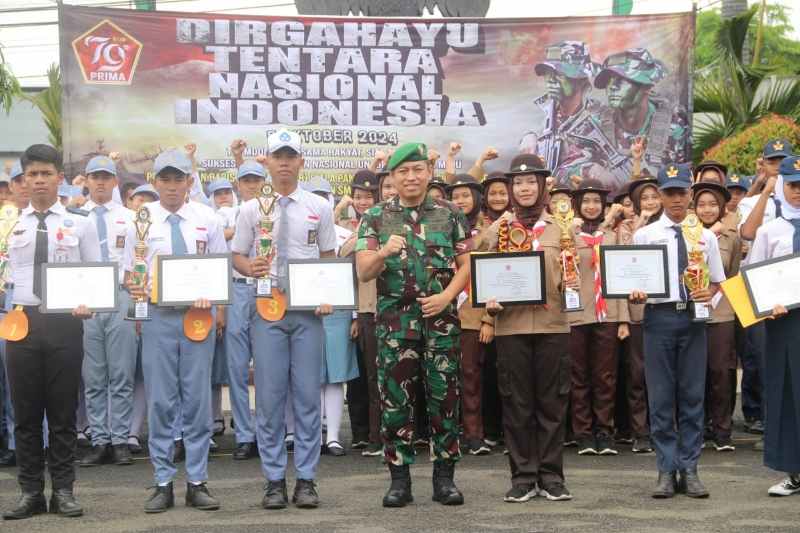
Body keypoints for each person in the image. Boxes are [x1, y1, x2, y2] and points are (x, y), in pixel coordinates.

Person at [356, 142, 471, 508]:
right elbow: (364, 271)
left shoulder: (450, 214)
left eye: (417, 169)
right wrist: (383, 252)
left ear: (428, 173)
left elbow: (467, 264)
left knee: (444, 400)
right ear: (391, 177)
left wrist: (447, 296)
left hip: (441, 323)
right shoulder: (375, 217)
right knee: (396, 403)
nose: (411, 177)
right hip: (394, 326)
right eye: (403, 171)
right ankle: (399, 480)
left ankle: (444, 479)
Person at [231, 128, 337, 510]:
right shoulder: (250, 208)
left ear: (300, 162)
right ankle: (274, 479)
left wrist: (326, 294)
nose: (285, 163)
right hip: (266, 310)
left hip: (307, 313)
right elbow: (237, 256)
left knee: (308, 396)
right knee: (271, 397)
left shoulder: (319, 207)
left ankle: (306, 479)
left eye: (291, 156)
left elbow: (328, 257)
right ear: (268, 161)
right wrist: (250, 265)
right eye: (279, 156)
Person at [123, 150, 227, 514]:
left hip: (198, 316)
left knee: (197, 400)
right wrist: (134, 287)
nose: (170, 186)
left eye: (177, 178)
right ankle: (163, 481)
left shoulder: (207, 218)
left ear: (188, 181)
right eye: (164, 179)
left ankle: (197, 481)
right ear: (155, 182)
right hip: (157, 318)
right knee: (161, 400)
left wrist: (217, 307)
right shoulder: (141, 219)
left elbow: (221, 268)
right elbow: (128, 273)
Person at [2, 144, 100, 520]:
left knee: (62, 413)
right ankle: (30, 492)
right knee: (25, 414)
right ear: (23, 181)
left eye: (46, 173)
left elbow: (95, 272)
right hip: (21, 321)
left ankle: (63, 491)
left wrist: (88, 301)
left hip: (64, 322)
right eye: (32, 175)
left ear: (59, 177)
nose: (39, 180)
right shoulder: (10, 225)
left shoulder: (80, 223)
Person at [630, 163, 725, 499]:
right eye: (669, 192)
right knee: (660, 397)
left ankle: (691, 468)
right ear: (659, 194)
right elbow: (633, 279)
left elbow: (718, 282)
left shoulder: (707, 236)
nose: (675, 199)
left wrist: (708, 296)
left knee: (692, 396)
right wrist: (635, 291)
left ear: (691, 193)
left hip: (694, 320)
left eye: (681, 192)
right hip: (658, 318)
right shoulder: (645, 235)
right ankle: (666, 470)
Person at [482, 154, 574, 502]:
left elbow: (574, 276)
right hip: (511, 327)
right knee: (517, 404)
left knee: (552, 404)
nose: (524, 188)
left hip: (553, 325)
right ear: (510, 188)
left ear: (542, 186)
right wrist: (488, 302)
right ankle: (522, 477)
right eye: (518, 182)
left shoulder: (562, 227)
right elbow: (483, 269)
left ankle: (551, 476)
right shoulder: (500, 228)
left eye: (530, 182)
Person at [78, 156, 138, 468]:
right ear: (85, 180)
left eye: (106, 176)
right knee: (94, 374)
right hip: (86, 300)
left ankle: (121, 439)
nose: (100, 182)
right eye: (94, 176)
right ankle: (99, 440)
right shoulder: (75, 217)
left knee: (122, 372)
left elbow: (139, 262)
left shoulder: (131, 217)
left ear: (115, 181)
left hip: (120, 295)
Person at [748, 155, 800, 496]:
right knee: (787, 394)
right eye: (793, 185)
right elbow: (753, 275)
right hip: (785, 323)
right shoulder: (771, 230)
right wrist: (767, 305)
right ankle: (794, 471)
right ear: (781, 185)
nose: (798, 192)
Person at [569, 179, 630, 456]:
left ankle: (604, 432)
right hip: (578, 314)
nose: (591, 206)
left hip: (609, 314)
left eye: (596, 201)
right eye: (586, 201)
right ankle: (583, 434)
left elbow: (625, 277)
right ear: (577, 205)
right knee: (578, 376)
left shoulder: (614, 235)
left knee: (605, 376)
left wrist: (624, 319)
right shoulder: (570, 234)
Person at [691, 181, 740, 452]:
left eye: (712, 205)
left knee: (721, 372)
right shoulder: (685, 234)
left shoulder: (731, 236)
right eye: (701, 204)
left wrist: (718, 296)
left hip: (721, 312)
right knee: (694, 374)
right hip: (691, 313)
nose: (707, 210)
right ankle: (697, 429)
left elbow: (731, 273)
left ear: (721, 207)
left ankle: (722, 430)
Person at [446, 174, 493, 456]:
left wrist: (489, 318)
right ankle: (450, 435)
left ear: (477, 199)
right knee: (446, 378)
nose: (460, 201)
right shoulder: (441, 227)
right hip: (445, 311)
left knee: (472, 375)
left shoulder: (489, 231)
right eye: (455, 196)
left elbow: (497, 277)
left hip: (475, 314)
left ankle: (475, 434)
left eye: (466, 195)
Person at [225, 160, 267, 461]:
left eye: (256, 180)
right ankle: (243, 434)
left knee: (268, 367)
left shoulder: (277, 208)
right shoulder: (225, 213)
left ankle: (265, 432)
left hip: (268, 291)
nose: (251, 185)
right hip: (238, 288)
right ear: (237, 184)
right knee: (237, 367)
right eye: (246, 180)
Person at [340, 170, 383, 456]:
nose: (363, 201)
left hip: (387, 305)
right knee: (364, 377)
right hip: (363, 308)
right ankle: (364, 433)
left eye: (368, 196)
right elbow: (342, 255)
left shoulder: (387, 220)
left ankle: (385, 434)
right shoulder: (347, 225)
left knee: (385, 376)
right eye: (358, 196)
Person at [518, 41, 601, 185]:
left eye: (560, 75)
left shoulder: (600, 118)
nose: (551, 80)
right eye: (547, 74)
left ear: (580, 79)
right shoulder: (539, 116)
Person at [0, 161, 27, 469]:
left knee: (28, 380)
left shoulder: (53, 221)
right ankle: (13, 442)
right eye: (18, 180)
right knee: (10, 381)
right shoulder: (3, 219)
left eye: (26, 179)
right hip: (5, 303)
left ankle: (38, 443)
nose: (22, 185)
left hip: (32, 306)